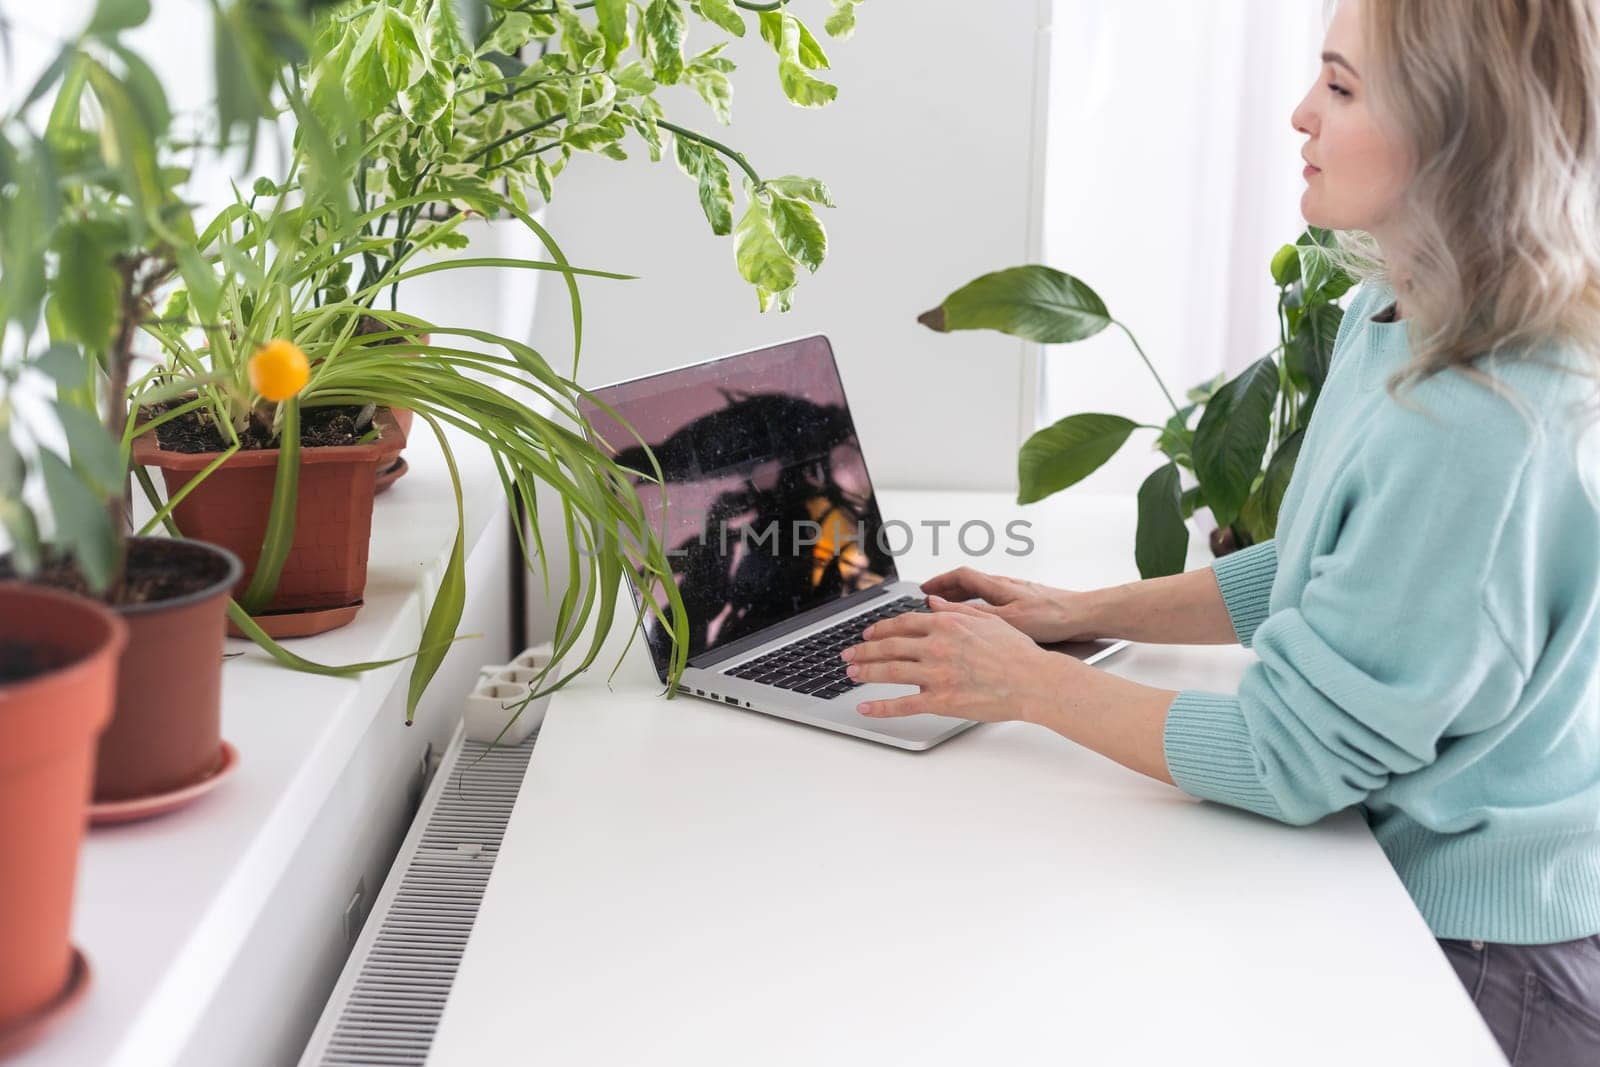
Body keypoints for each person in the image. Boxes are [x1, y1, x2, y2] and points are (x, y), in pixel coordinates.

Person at [840, 1, 1600, 1062]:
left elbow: (1292, 757)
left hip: (1480, 960)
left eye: (1339, 88)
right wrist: (1079, 612)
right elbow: (1333, 565)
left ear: (1457, 132)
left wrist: (1025, 683)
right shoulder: (1393, 309)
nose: (1299, 114)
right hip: (1389, 896)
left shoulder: (1480, 413)